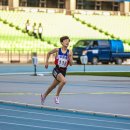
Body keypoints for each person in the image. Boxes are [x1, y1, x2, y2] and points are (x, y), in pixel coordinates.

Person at [41, 36, 73, 105]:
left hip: (63, 71)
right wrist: (46, 62)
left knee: (53, 86)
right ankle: (57, 96)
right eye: (65, 41)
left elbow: (71, 64)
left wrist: (70, 57)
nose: (67, 42)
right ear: (62, 42)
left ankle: (44, 96)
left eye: (68, 41)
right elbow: (49, 53)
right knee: (64, 81)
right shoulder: (58, 50)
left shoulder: (70, 51)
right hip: (57, 69)